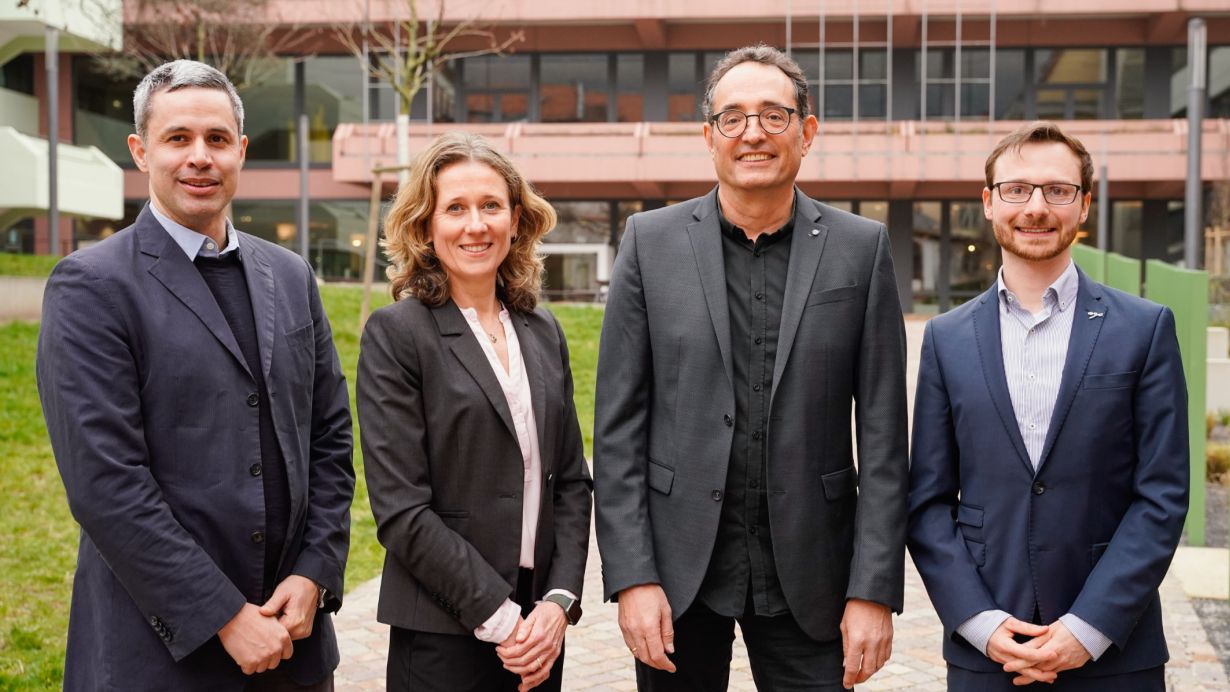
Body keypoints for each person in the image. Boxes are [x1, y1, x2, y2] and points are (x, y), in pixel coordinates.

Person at [592, 44, 909, 690]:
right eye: (732, 118)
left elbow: (883, 440)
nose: (753, 134)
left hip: (812, 579)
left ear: (807, 131)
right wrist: (633, 577)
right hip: (678, 579)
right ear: (709, 137)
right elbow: (617, 430)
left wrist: (873, 589)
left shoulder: (862, 249)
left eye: (774, 115)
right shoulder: (648, 244)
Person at [36, 60, 355, 691]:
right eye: (177, 138)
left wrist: (314, 572)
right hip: (158, 655)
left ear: (241, 149)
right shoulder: (92, 286)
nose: (199, 158)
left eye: (216, 140)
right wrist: (224, 616)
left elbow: (331, 439)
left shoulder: (290, 276)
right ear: (140, 151)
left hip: (295, 646)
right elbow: (106, 484)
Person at [907, 121, 1189, 691]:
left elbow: (1162, 495)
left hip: (1115, 650)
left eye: (1057, 190)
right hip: (989, 650)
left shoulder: (1144, 328)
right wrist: (979, 623)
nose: (1036, 207)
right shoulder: (946, 338)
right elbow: (928, 501)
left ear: (1084, 205)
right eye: (1016, 189)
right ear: (989, 203)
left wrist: (1089, 627)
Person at [356, 132, 592, 692]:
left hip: (540, 631)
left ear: (516, 220)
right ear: (425, 226)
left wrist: (557, 604)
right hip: (445, 631)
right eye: (455, 208)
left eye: (490, 206)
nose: (475, 225)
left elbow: (572, 481)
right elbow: (400, 510)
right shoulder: (397, 334)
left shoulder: (542, 329)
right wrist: (503, 619)